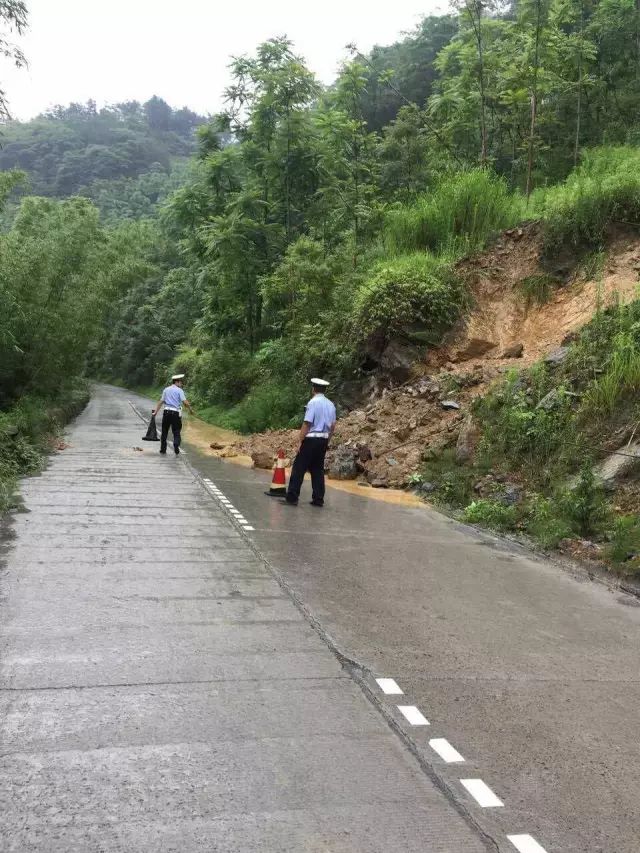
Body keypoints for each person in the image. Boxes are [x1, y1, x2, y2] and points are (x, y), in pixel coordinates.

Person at [285, 378, 336, 507]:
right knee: (317, 469)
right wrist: (327, 440)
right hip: (323, 439)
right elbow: (333, 425)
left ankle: (292, 496)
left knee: (299, 467)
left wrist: (300, 441)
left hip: (311, 439)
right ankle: (318, 499)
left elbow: (307, 423)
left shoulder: (313, 403)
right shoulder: (331, 404)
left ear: (313, 389)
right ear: (324, 390)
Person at [152, 374, 194, 455]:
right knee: (176, 431)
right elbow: (185, 402)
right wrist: (190, 409)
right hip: (175, 413)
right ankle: (176, 444)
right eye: (181, 383)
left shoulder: (166, 389)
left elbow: (161, 401)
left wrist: (155, 412)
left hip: (166, 412)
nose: (181, 384)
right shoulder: (179, 390)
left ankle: (163, 450)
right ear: (177, 382)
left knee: (164, 431)